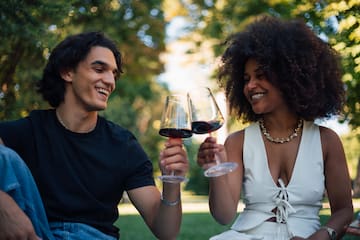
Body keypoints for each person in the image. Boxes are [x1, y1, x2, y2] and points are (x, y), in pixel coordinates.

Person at [0, 31, 189, 240]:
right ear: (67, 72)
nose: (110, 81)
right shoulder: (29, 130)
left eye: (114, 74)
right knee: (3, 156)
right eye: (99, 69)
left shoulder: (123, 145)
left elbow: (166, 231)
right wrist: (4, 207)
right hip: (40, 232)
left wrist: (172, 181)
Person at [197, 16, 354, 239]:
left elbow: (344, 210)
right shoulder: (237, 142)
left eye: (261, 75)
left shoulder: (327, 140)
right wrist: (214, 171)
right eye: (246, 78)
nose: (250, 85)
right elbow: (223, 215)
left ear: (291, 76)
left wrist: (324, 234)